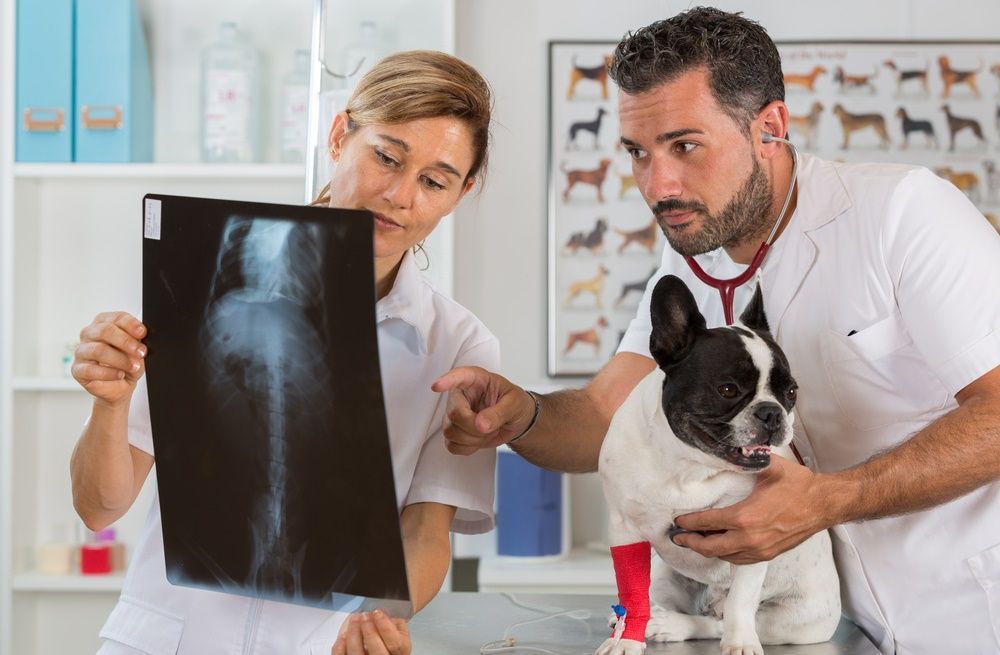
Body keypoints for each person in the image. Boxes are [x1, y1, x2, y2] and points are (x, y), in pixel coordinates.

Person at [433, 8, 1000, 654]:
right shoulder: (691, 258)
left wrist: (826, 500)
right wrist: (521, 416)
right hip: (847, 625)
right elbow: (602, 413)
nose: (658, 184)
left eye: (685, 146)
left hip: (978, 609)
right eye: (638, 153)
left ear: (770, 128)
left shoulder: (905, 214)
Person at [70, 50, 498, 655]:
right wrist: (108, 406)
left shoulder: (460, 345)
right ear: (338, 134)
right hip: (165, 640)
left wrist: (379, 619)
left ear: (461, 193)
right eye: (386, 156)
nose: (401, 196)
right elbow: (99, 508)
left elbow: (427, 530)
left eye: (435, 181)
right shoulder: (195, 277)